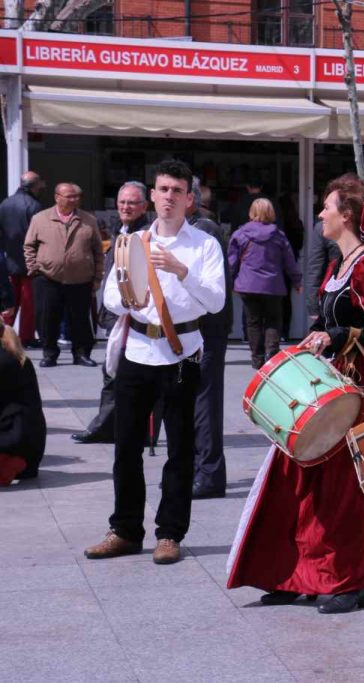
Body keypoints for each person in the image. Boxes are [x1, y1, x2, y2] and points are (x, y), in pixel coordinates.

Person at [227, 174, 364, 615]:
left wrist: (335, 335)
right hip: (322, 386)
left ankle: (350, 581)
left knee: (343, 492)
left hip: (354, 389)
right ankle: (294, 574)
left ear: (345, 215)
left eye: (326, 207)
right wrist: (317, 335)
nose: (319, 213)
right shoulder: (337, 264)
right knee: (297, 480)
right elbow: (329, 322)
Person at [83, 159, 226, 566]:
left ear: (189, 199)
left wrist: (182, 271)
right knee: (126, 445)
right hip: (138, 351)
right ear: (152, 195)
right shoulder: (133, 240)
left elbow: (215, 302)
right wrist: (130, 299)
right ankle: (125, 530)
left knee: (180, 449)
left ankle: (170, 534)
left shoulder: (204, 246)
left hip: (182, 352)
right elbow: (110, 296)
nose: (168, 198)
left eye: (177, 191)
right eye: (162, 190)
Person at [72, 181, 151, 445]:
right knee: (113, 369)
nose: (126, 207)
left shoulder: (146, 234)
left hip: (132, 315)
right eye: (122, 202)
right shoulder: (122, 229)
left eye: (132, 202)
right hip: (115, 312)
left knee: (116, 371)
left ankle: (108, 426)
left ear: (144, 206)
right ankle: (113, 426)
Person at [188, 177, 233, 500]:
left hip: (206, 329)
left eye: (177, 193)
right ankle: (194, 468)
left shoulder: (204, 229)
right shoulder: (182, 230)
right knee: (189, 400)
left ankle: (209, 473)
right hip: (187, 331)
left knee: (204, 401)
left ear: (191, 198)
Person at [24, 182, 103, 368]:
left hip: (81, 279)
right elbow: (29, 246)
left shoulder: (88, 220)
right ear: (57, 197)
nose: (75, 199)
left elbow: (98, 250)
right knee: (48, 319)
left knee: (80, 320)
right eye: (70, 196)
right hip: (48, 278)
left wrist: (97, 277)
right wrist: (34, 268)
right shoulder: (40, 218)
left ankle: (81, 354)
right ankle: (49, 354)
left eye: (77, 196)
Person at [229, 198, 301, 369]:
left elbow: (232, 262)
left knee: (253, 321)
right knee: (273, 321)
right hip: (273, 285)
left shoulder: (240, 234)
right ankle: (272, 354)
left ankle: (256, 358)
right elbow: (289, 262)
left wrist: (229, 281)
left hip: (247, 284)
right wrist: (297, 280)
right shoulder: (278, 236)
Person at [0, 171, 46, 346]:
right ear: (34, 186)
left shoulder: (5, 203)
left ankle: (4, 333)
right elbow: (38, 236)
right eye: (40, 183)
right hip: (28, 262)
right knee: (28, 304)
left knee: (9, 302)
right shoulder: (34, 205)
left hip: (9, 260)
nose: (43, 186)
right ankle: (26, 337)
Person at [0, 322, 46, 485]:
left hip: (15, 436)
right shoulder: (14, 355)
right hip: (26, 438)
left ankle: (9, 464)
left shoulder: (4, 360)